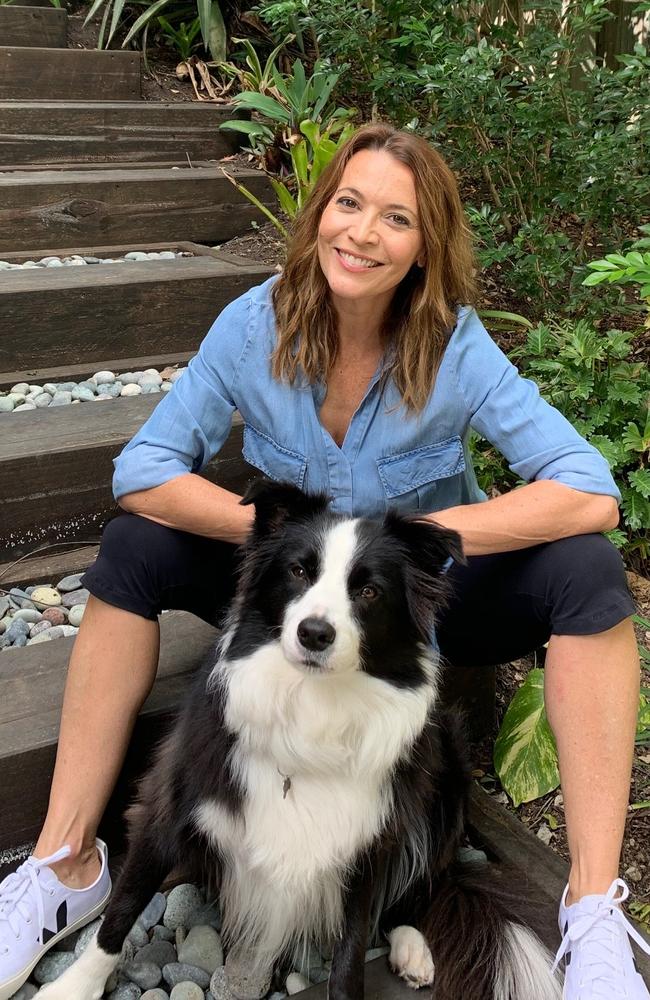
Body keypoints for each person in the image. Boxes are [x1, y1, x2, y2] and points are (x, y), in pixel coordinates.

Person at [1, 123, 647, 1000]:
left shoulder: (453, 343)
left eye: (396, 218)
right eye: (349, 203)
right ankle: (64, 860)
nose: (362, 233)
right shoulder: (251, 324)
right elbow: (142, 471)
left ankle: (591, 912)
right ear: (318, 215)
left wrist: (426, 538)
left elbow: (588, 489)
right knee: (135, 546)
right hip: (298, 591)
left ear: (424, 249)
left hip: (419, 602)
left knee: (589, 573)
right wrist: (280, 545)